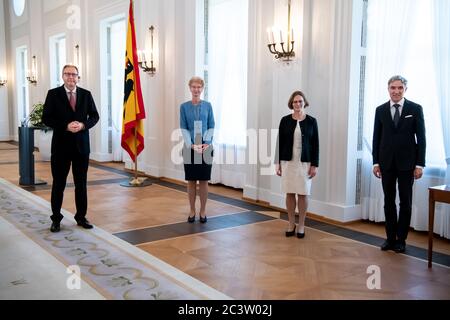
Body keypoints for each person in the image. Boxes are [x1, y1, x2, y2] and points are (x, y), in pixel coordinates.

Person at [42, 64, 99, 232]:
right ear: (62, 76)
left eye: (74, 74)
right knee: (58, 183)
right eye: (67, 74)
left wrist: (83, 125)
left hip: (82, 147)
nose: (71, 77)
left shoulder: (86, 95)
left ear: (78, 77)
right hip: (60, 147)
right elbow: (47, 118)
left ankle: (81, 217)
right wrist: (65, 126)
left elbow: (95, 116)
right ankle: (56, 219)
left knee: (81, 183)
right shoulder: (53, 94)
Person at [372, 75, 426, 253]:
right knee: (388, 202)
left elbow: (422, 138)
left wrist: (419, 164)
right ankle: (389, 238)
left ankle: (401, 239)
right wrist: (375, 162)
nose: (396, 91)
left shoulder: (415, 109)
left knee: (406, 202)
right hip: (386, 163)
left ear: (405, 89)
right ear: (388, 89)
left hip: (407, 164)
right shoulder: (380, 110)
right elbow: (376, 138)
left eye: (399, 88)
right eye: (393, 88)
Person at [276, 90, 319, 238]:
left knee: (303, 193)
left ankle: (301, 224)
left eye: (300, 101)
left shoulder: (312, 121)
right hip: (288, 161)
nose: (298, 104)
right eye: (295, 101)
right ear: (291, 103)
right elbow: (279, 143)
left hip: (305, 162)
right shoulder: (285, 120)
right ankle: (291, 223)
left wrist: (315, 165)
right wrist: (278, 163)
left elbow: (316, 144)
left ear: (304, 102)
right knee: (289, 192)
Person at [180, 77, 215, 223]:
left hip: (206, 148)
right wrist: (192, 145)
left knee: (204, 181)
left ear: (202, 89)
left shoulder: (208, 105)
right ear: (189, 88)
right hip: (190, 149)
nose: (196, 90)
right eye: (194, 87)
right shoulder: (184, 106)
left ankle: (203, 210)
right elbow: (184, 127)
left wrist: (206, 142)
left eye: (199, 87)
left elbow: (212, 125)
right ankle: (192, 209)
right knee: (191, 181)